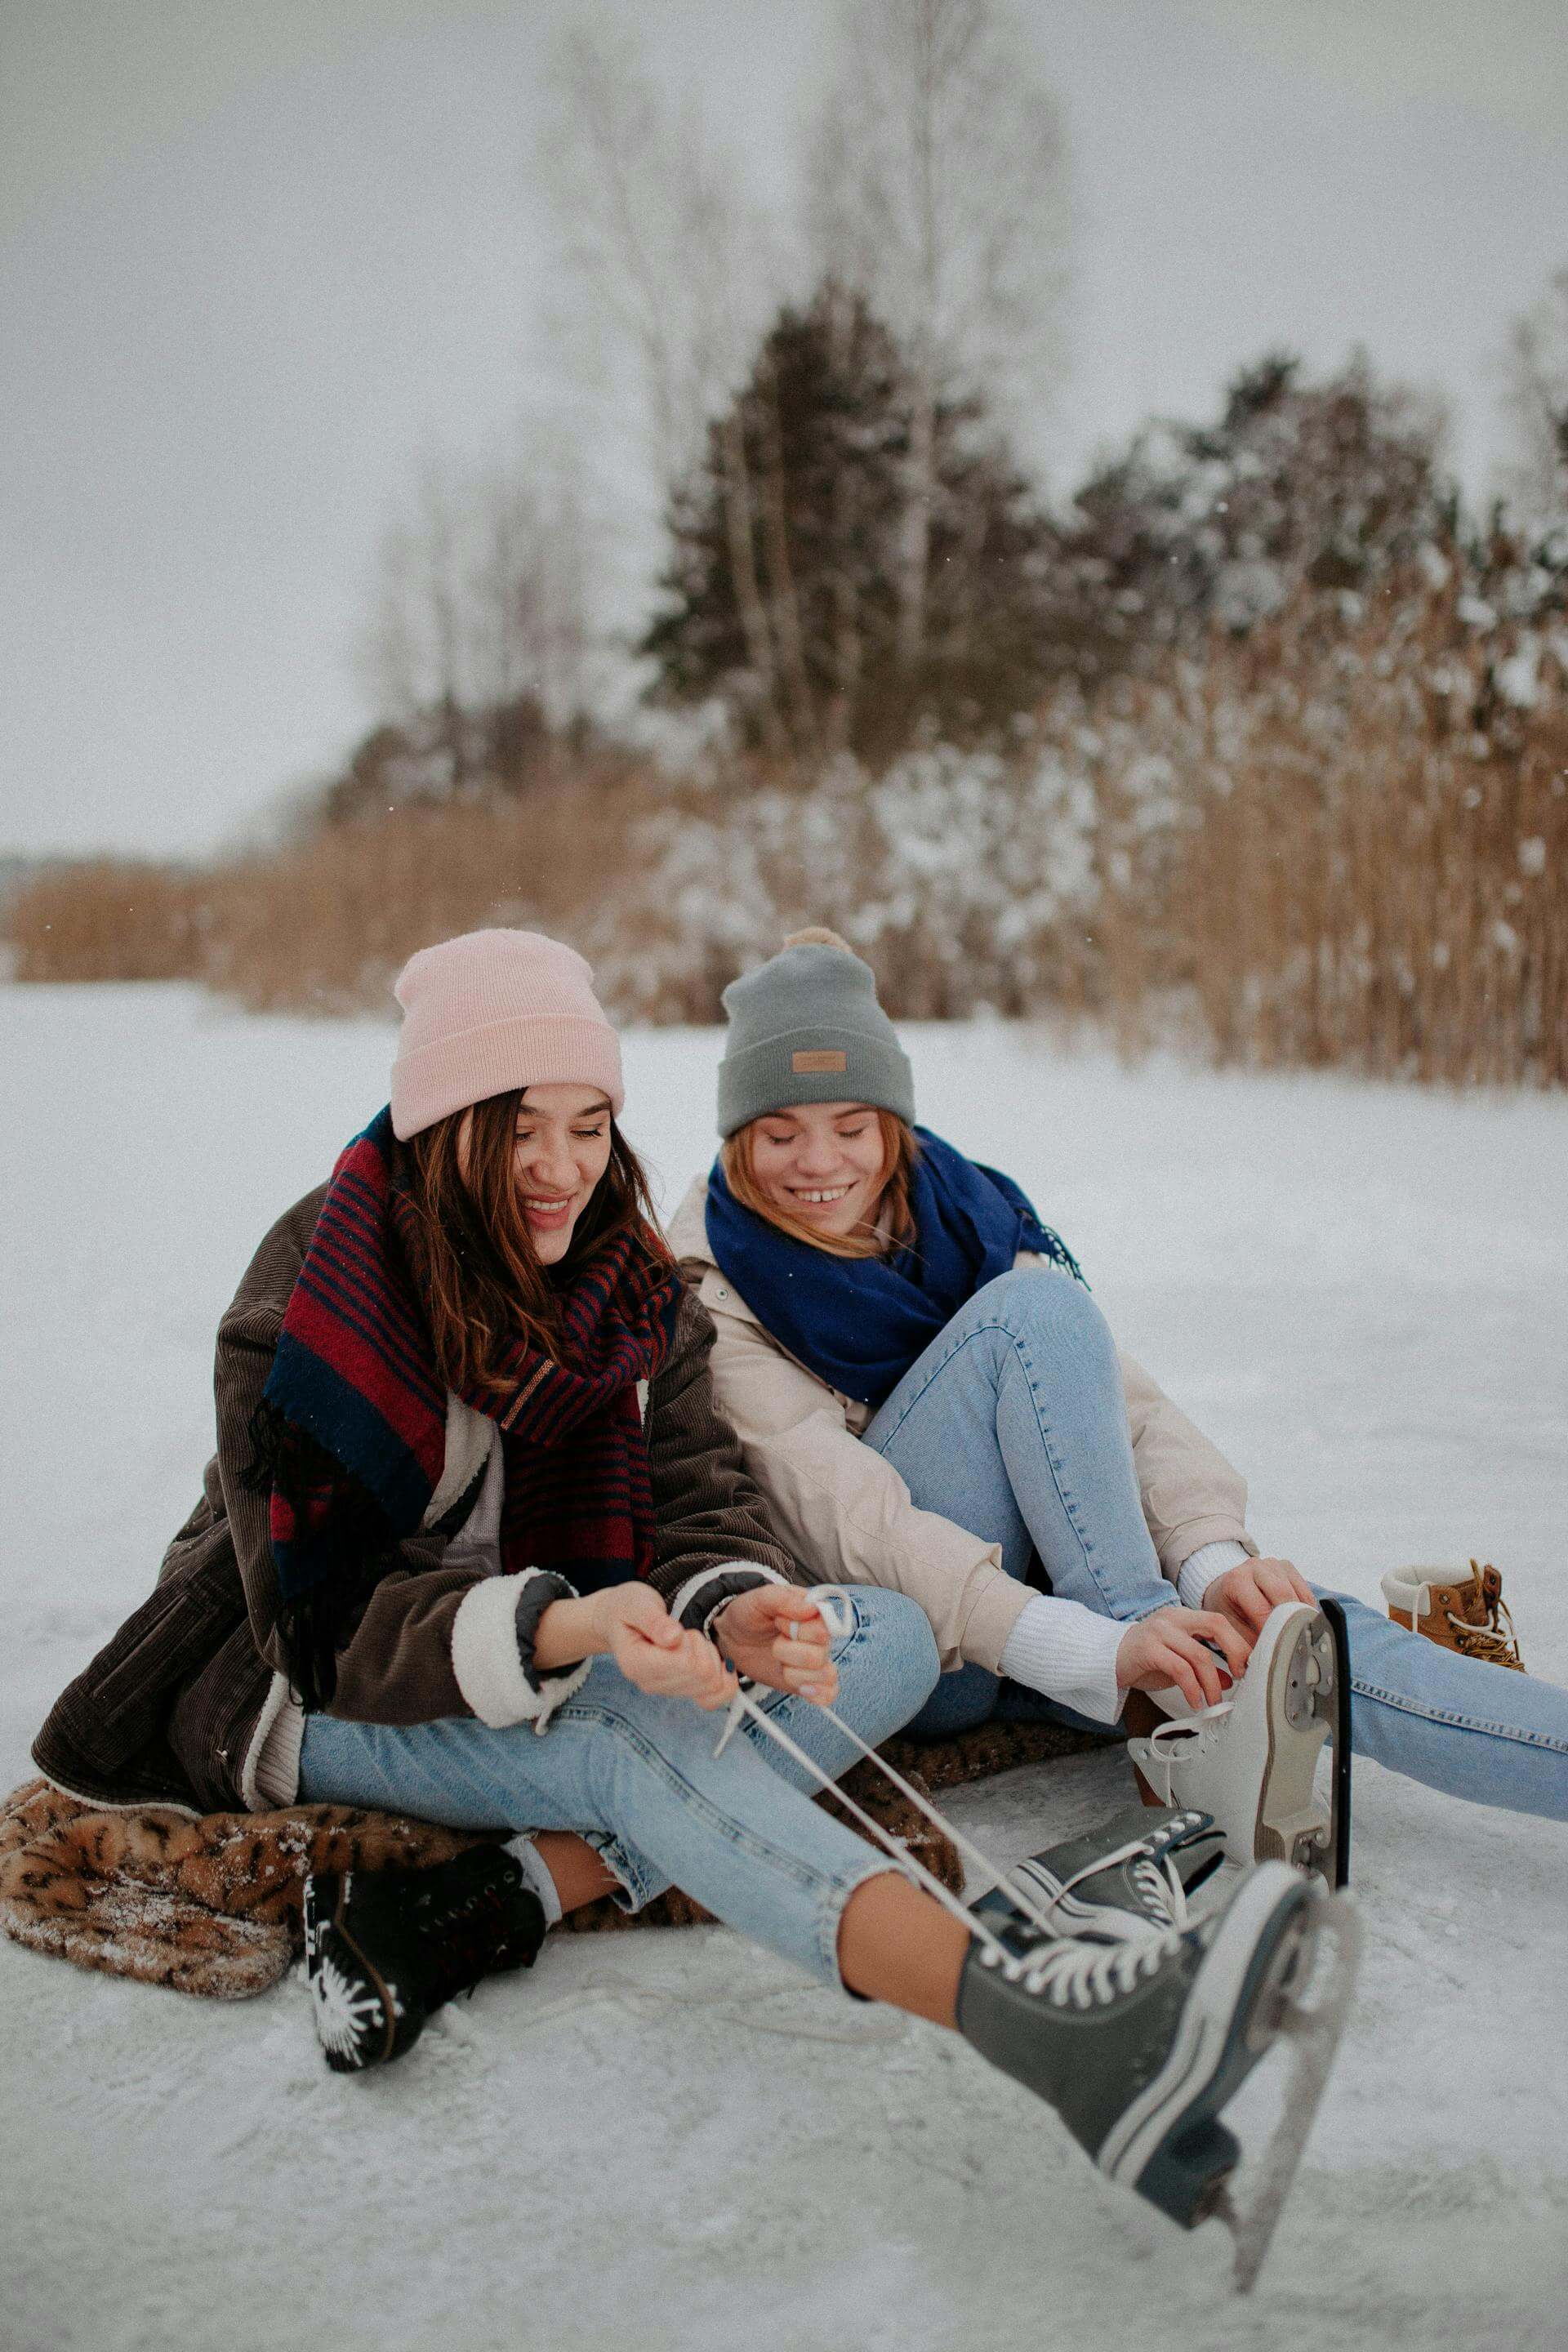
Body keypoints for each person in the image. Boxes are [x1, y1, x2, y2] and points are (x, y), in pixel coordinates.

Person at [30, 927, 1328, 2232]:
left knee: (863, 1633)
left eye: (589, 1126)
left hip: (569, 1631)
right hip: (303, 1687)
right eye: (516, 1127)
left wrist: (733, 1606)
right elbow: (323, 1623)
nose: (559, 1169)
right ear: (442, 1126)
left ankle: (498, 1895)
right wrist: (566, 1626)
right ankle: (1044, 2022)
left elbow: (696, 1499)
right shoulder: (317, 1293)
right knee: (632, 1742)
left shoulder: (631, 1284)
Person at [667, 928, 1566, 1846]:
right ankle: (1162, 1673)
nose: (819, 1164)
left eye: (851, 1127)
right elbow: (848, 1516)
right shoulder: (715, 1281)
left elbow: (1106, 1404)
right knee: (1034, 1315)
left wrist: (1212, 1561)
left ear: (891, 1124)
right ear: (739, 1139)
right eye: (780, 1133)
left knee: (1286, 1636)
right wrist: (1104, 1640)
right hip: (936, 1642)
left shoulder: (962, 1211)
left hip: (1075, 1604)